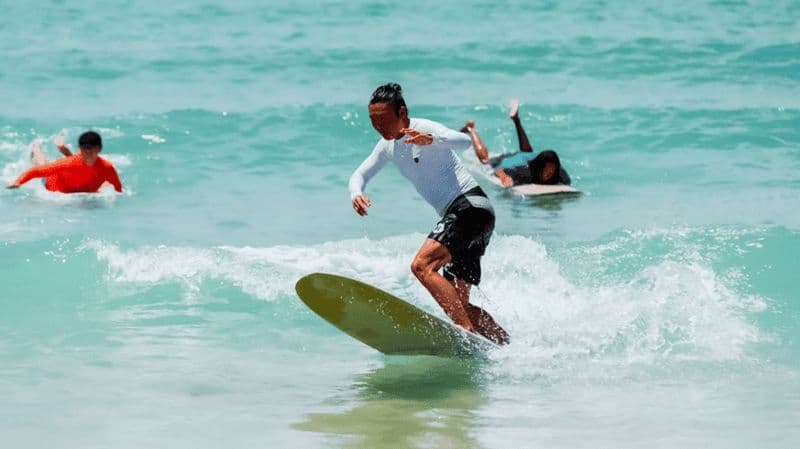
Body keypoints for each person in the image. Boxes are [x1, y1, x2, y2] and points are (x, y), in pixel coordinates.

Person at [349, 83, 509, 344]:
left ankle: (466, 335)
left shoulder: (425, 129)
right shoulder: (386, 146)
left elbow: (465, 140)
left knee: (422, 266)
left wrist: (433, 140)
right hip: (476, 214)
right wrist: (356, 193)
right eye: (373, 120)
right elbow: (360, 174)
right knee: (459, 304)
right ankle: (507, 346)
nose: (378, 126)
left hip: (468, 207)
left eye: (383, 119)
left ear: (402, 112)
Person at [462, 100, 571, 187]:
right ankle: (471, 129)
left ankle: (516, 119)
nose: (549, 173)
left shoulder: (560, 175)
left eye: (552, 170)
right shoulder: (522, 173)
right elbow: (500, 171)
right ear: (539, 167)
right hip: (509, 161)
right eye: (546, 169)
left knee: (527, 152)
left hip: (528, 156)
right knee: (485, 160)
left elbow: (566, 182)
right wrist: (505, 179)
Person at [7, 131, 123, 193]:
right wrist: (18, 182)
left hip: (78, 181)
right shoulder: (67, 163)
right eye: (84, 149)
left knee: (103, 183)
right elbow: (35, 171)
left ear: (99, 149)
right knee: (43, 165)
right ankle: (36, 148)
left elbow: (118, 189)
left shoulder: (107, 168)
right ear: (80, 148)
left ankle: (62, 148)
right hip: (53, 184)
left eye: (91, 150)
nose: (88, 153)